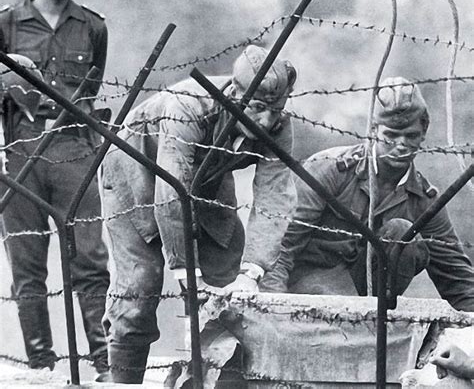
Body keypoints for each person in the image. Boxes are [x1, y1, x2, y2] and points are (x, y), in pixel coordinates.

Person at [101, 45, 297, 383]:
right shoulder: (190, 107)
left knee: (228, 284)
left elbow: (275, 197)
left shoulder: (278, 126)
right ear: (235, 92)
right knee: (141, 282)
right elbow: (172, 189)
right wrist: (184, 268)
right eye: (258, 108)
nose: (266, 120)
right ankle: (124, 379)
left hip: (208, 177)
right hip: (137, 173)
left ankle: (215, 378)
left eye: (275, 109)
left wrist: (252, 270)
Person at [0, 0, 110, 379]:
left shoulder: (92, 27)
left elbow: (94, 86)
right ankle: (42, 366)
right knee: (27, 266)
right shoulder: (6, 24)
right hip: (21, 154)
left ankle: (105, 361)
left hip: (72, 152)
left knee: (89, 259)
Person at [261, 77, 474, 312]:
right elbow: (282, 246)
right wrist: (274, 307)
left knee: (403, 232)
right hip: (308, 282)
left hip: (369, 295)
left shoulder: (424, 200)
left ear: (423, 134)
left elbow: (458, 281)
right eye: (391, 135)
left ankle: (372, 324)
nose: (401, 145)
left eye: (411, 136)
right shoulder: (331, 170)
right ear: (373, 131)